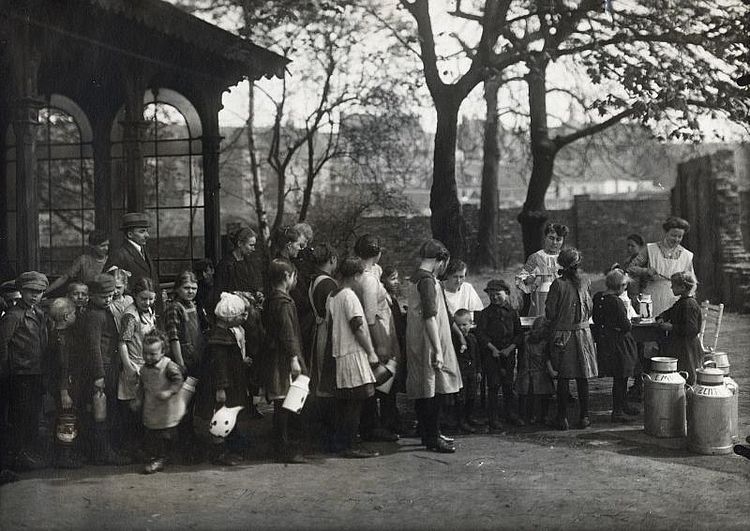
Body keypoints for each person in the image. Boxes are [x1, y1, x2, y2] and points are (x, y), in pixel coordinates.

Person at [405, 239, 461, 454]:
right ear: (441, 260)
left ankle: (427, 432)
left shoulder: (415, 276)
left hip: (417, 338)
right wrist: (438, 349)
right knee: (434, 389)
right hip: (429, 339)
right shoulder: (428, 281)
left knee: (424, 388)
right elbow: (430, 316)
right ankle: (433, 436)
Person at [327, 257, 380, 458]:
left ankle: (343, 442)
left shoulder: (333, 295)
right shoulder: (349, 296)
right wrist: (371, 351)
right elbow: (357, 326)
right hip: (352, 353)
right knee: (355, 403)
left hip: (340, 353)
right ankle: (350, 445)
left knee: (346, 403)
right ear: (356, 276)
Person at [193, 292, 252, 466]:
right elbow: (219, 368)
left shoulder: (222, 333)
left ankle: (228, 446)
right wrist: (221, 388)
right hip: (221, 388)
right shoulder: (219, 340)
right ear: (230, 317)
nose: (243, 317)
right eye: (241, 314)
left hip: (227, 386)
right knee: (219, 417)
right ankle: (218, 452)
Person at [0, 272, 49, 470]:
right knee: (20, 417)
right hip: (20, 375)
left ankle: (28, 453)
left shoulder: (38, 313)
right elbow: (2, 345)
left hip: (36, 372)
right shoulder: (14, 316)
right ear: (21, 291)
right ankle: (18, 456)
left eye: (39, 292)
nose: (34, 296)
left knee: (32, 415)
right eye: (30, 292)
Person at [545, 248, 598, 431]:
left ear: (560, 263)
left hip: (563, 336)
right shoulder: (585, 282)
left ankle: (562, 418)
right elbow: (590, 308)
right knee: (583, 377)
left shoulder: (557, 285)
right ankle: (584, 417)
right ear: (578, 263)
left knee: (563, 378)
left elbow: (550, 313)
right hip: (583, 335)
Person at [354, 234, 401, 442]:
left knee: (381, 377)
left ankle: (384, 421)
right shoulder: (370, 280)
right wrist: (378, 345)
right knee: (382, 376)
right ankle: (375, 425)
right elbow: (370, 316)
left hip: (380, 326)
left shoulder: (368, 271)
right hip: (378, 329)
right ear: (378, 253)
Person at [80, 274, 130, 465]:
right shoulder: (94, 316)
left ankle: (104, 450)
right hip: (102, 369)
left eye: (110, 295)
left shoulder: (103, 311)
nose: (108, 299)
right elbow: (94, 348)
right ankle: (103, 453)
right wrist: (99, 375)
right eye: (103, 296)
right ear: (91, 296)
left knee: (107, 411)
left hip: (110, 366)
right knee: (101, 413)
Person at [262, 258, 307, 464]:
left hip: (274, 357)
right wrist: (294, 358)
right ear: (287, 277)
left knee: (283, 401)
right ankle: (283, 447)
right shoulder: (284, 303)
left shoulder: (272, 300)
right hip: (284, 359)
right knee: (286, 402)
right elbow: (288, 334)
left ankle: (281, 444)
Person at [592, 269, 640, 423]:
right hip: (619, 343)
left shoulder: (599, 297)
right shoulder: (616, 301)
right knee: (621, 377)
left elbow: (597, 319)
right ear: (619, 286)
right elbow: (626, 326)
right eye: (624, 286)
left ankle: (623, 404)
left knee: (620, 376)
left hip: (606, 341)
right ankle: (617, 411)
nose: (625, 289)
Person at [475, 279, 524, 430]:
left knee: (508, 385)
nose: (494, 297)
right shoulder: (485, 314)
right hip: (492, 356)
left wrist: (510, 348)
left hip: (508, 355)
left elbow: (519, 334)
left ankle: (510, 413)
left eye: (498, 294)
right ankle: (493, 417)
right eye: (491, 295)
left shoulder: (513, 313)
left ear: (507, 294)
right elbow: (481, 334)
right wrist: (492, 349)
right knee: (494, 385)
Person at [133, 330, 184, 474]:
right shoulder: (143, 370)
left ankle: (161, 458)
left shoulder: (168, 366)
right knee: (152, 434)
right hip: (151, 408)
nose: (148, 357)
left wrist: (170, 391)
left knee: (166, 434)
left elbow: (178, 380)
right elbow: (142, 387)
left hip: (166, 408)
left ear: (163, 352)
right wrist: (138, 399)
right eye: (145, 353)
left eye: (153, 354)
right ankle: (156, 456)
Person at [117, 277, 157, 453]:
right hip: (135, 365)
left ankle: (146, 447)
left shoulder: (149, 311)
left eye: (150, 298)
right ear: (134, 296)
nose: (147, 302)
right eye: (143, 299)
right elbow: (123, 342)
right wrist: (128, 367)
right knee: (135, 409)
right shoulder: (130, 316)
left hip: (148, 364)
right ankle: (134, 449)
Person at [626, 216, 695, 318]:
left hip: (675, 297)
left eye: (680, 236)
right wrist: (646, 271)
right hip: (653, 295)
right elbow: (630, 268)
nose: (676, 239)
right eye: (673, 235)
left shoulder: (686, 255)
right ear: (666, 233)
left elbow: (691, 280)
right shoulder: (651, 249)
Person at [306, 244, 338, 451]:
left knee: (319, 377)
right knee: (327, 377)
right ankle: (328, 432)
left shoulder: (314, 280)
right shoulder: (328, 284)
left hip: (318, 330)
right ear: (332, 260)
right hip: (328, 331)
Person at [48, 297, 84, 469]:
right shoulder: (62, 339)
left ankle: (64, 453)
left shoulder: (56, 334)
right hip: (66, 386)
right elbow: (63, 366)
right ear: (66, 316)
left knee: (65, 418)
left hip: (63, 385)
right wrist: (64, 391)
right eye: (74, 313)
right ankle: (64, 457)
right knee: (67, 419)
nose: (76, 315)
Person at [104, 212, 162, 312]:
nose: (147, 235)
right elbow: (108, 283)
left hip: (149, 308)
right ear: (130, 234)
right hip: (132, 309)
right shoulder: (119, 254)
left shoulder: (143, 251)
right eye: (142, 231)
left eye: (147, 231)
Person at [656, 271, 702, 385]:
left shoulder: (689, 305)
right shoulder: (681, 302)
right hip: (679, 344)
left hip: (687, 347)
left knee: (687, 375)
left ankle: (687, 397)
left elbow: (692, 329)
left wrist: (672, 327)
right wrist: (661, 317)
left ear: (682, 287)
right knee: (680, 373)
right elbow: (669, 312)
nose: (671, 287)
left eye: (673, 285)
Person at [516, 223, 569, 317]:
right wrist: (532, 279)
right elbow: (521, 281)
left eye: (559, 239)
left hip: (562, 300)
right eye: (551, 238)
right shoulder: (536, 257)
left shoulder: (566, 258)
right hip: (541, 300)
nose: (555, 243)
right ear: (545, 237)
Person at [515, 316, 556, 425]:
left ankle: (525, 416)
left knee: (526, 395)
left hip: (526, 371)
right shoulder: (545, 342)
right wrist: (551, 371)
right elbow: (547, 358)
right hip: (540, 371)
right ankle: (543, 416)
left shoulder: (526, 338)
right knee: (543, 396)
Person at [164, 271, 204, 376]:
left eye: (194, 288)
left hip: (196, 354)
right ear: (177, 288)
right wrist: (180, 364)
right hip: (182, 357)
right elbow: (173, 338)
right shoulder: (174, 308)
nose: (190, 291)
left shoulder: (193, 305)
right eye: (186, 288)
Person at [46, 230, 110, 295]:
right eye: (102, 246)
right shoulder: (83, 260)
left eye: (107, 245)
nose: (106, 248)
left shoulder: (110, 260)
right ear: (92, 246)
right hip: (85, 296)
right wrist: (45, 292)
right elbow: (64, 278)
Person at [451, 308, 481, 433]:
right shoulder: (455, 340)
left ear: (471, 324)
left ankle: (470, 416)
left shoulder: (473, 339)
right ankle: (461, 421)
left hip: (472, 372)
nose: (462, 328)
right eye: (458, 325)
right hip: (461, 373)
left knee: (472, 395)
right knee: (461, 398)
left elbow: (477, 355)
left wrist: (478, 371)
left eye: (464, 325)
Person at [215, 227, 263, 294]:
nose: (253, 249)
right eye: (251, 245)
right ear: (239, 243)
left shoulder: (249, 263)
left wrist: (257, 293)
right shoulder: (225, 265)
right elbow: (220, 292)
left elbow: (253, 286)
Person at [108, 267, 133, 334]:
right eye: (112, 288)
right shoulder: (108, 303)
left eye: (118, 287)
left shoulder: (129, 300)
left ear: (125, 285)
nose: (115, 291)